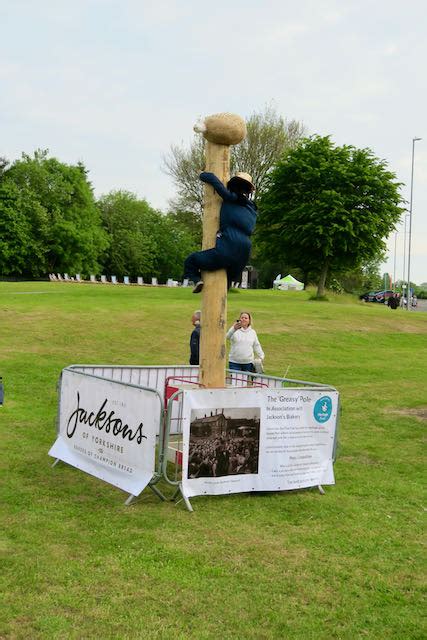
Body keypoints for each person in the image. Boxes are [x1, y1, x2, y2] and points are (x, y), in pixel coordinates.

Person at [183, 171, 257, 293]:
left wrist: (203, 175)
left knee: (191, 261)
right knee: (226, 282)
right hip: (245, 251)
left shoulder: (231, 198)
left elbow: (214, 181)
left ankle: (197, 280)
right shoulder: (252, 209)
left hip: (229, 245)